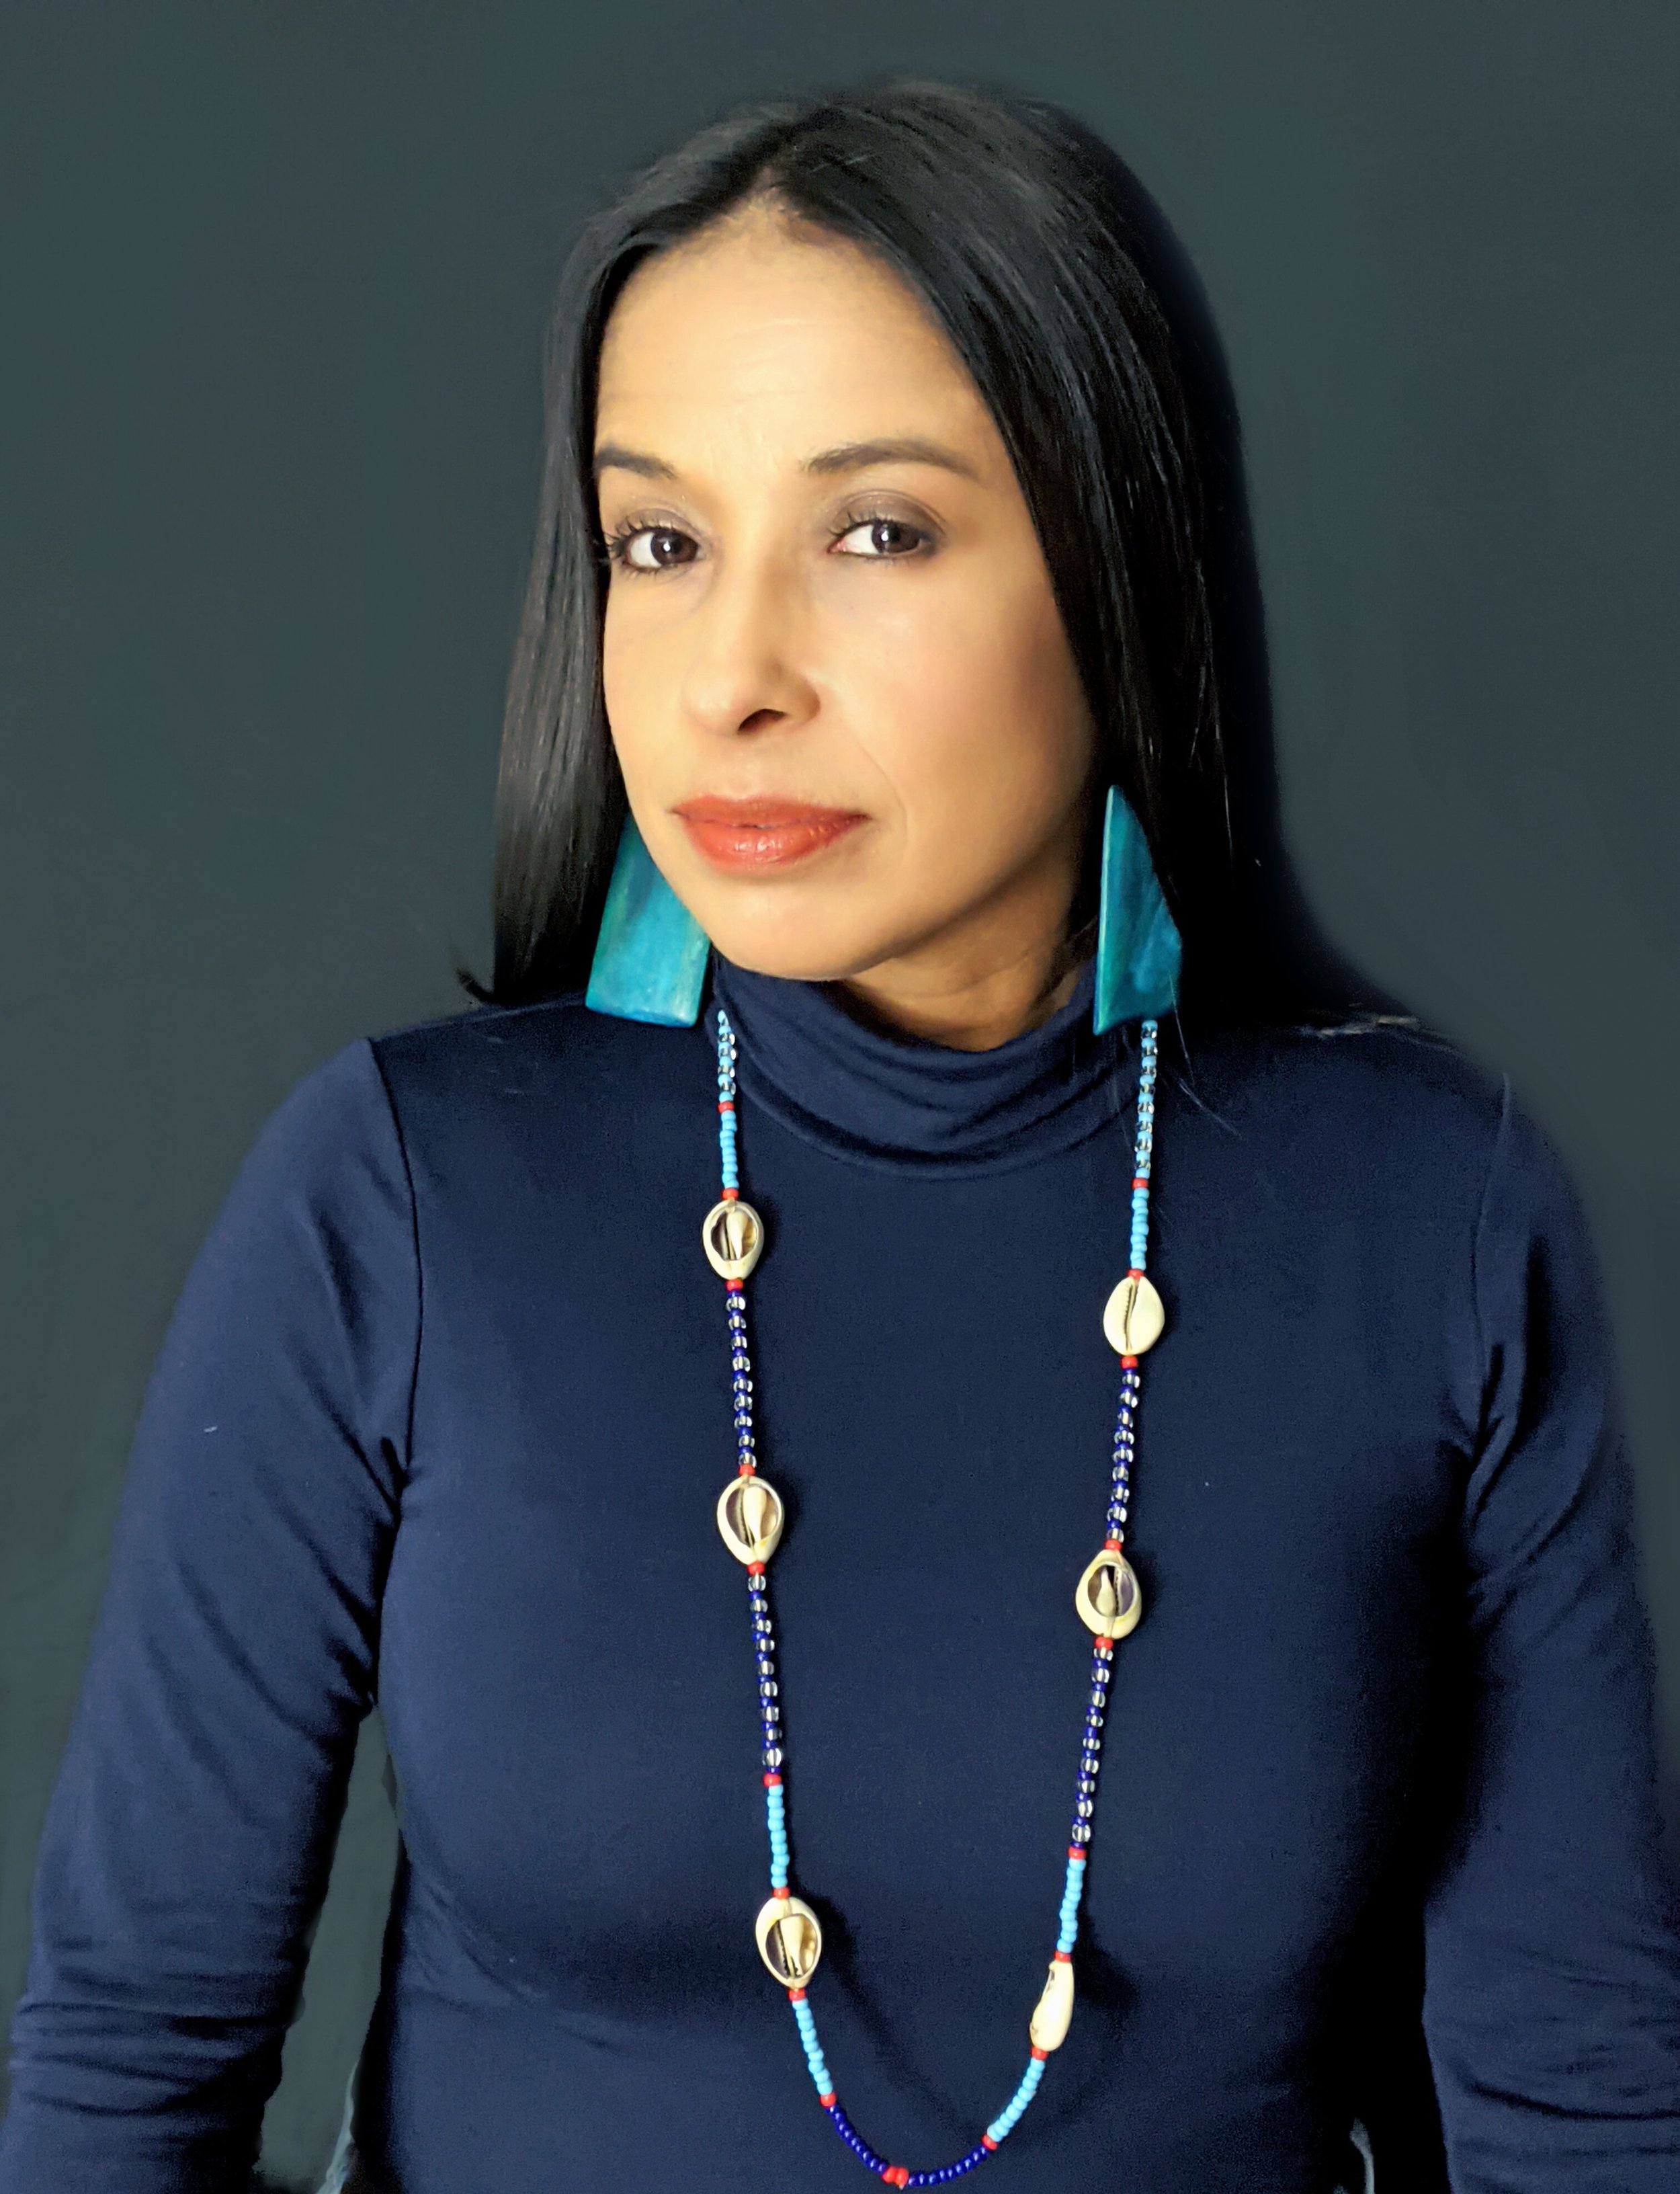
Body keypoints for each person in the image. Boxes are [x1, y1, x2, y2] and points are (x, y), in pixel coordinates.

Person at [3, 76, 1677, 2194]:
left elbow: (1586, 2124)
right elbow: (119, 2083)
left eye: (875, 532)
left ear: (1112, 556)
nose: (732, 676)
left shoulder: (1429, 1215)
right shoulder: (405, 1198)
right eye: (659, 543)